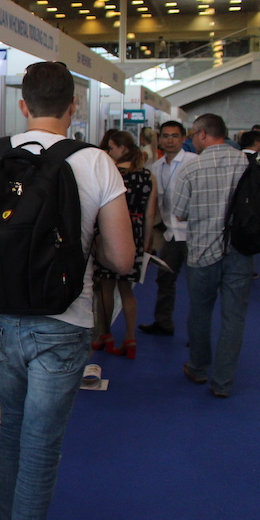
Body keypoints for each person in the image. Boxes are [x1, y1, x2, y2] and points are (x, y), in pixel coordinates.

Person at [0, 60, 134, 520]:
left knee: (12, 431)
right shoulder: (95, 162)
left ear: (23, 104)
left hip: (1, 318)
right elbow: (123, 258)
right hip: (62, 320)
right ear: (73, 106)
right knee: (40, 446)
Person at [172, 113, 252, 398]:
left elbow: (179, 213)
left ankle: (198, 367)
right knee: (234, 317)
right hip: (240, 250)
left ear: (203, 134)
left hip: (202, 250)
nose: (193, 139)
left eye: (194, 134)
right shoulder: (246, 163)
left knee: (200, 311)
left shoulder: (191, 168)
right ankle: (222, 382)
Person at [91, 130, 156, 359]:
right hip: (135, 233)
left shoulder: (110, 173)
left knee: (106, 288)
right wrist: (146, 242)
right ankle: (130, 338)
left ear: (122, 149)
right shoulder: (148, 176)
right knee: (127, 289)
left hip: (110, 231)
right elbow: (150, 214)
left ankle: (105, 334)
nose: (108, 152)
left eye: (111, 148)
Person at [140, 121, 198, 335]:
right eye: (165, 136)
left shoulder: (194, 162)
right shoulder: (156, 167)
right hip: (171, 234)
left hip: (193, 233)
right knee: (165, 279)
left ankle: (197, 333)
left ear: (183, 138)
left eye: (174, 136)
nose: (170, 140)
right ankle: (163, 322)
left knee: (197, 285)